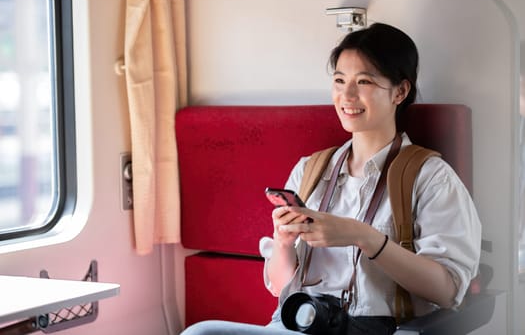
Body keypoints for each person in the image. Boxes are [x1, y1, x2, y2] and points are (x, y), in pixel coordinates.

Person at [181, 23, 481, 335]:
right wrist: (283, 242)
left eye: (363, 81)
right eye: (339, 80)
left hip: (380, 329)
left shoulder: (430, 177)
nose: (346, 95)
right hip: (300, 323)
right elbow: (280, 287)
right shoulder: (311, 169)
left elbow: (447, 289)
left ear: (400, 92)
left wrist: (364, 237)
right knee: (199, 333)